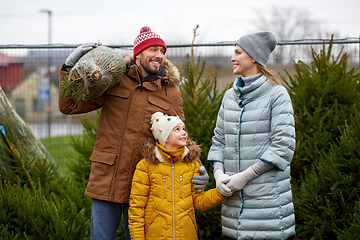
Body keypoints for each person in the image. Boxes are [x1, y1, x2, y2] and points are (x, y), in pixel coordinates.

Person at [58, 26, 209, 240]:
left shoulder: (170, 92)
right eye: (153, 50)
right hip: (107, 177)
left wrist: (198, 169)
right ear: (138, 54)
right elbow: (69, 106)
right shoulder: (114, 80)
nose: (159, 55)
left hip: (146, 183)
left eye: (162, 51)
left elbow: (180, 138)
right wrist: (68, 67)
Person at [207, 31, 296, 240]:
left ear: (254, 57)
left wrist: (244, 177)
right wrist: (219, 173)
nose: (232, 58)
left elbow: (282, 146)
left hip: (269, 214)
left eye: (238, 52)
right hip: (232, 213)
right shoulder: (229, 96)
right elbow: (219, 140)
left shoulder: (277, 94)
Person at [128, 112, 227, 239]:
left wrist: (222, 191)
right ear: (165, 137)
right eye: (177, 129)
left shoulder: (192, 165)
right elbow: (136, 209)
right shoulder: (146, 166)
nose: (184, 133)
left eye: (184, 129)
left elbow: (199, 201)